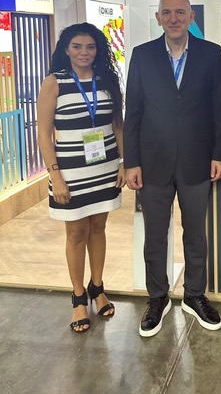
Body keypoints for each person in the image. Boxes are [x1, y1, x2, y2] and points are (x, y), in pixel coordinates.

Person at [124, 0, 221, 338]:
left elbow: (219, 107)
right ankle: (158, 298)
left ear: (191, 17)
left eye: (180, 12)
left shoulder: (211, 54)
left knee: (196, 233)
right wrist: (132, 162)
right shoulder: (142, 55)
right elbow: (134, 110)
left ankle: (194, 295)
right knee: (155, 235)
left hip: (199, 161)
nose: (174, 18)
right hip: (153, 163)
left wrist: (218, 153)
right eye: (166, 13)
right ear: (158, 18)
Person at [37, 22, 125, 333]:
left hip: (104, 169)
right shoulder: (54, 83)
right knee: (76, 234)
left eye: (90, 46)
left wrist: (124, 162)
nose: (84, 52)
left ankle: (97, 287)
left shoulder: (107, 80)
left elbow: (117, 125)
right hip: (70, 172)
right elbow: (44, 134)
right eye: (77, 46)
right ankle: (78, 298)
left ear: (98, 50)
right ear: (66, 49)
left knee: (98, 227)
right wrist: (55, 176)